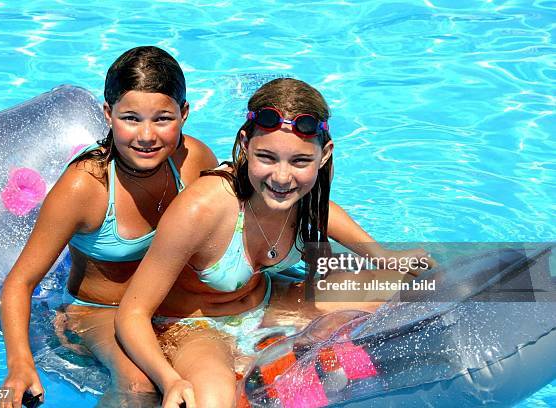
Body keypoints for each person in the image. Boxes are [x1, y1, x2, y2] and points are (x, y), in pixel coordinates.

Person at [115, 77, 432, 407]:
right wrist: (170, 381)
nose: (282, 178)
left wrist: (382, 256)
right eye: (266, 157)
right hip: (195, 328)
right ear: (245, 144)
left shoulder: (306, 194)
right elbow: (132, 313)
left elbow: (324, 213)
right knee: (211, 400)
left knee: (407, 289)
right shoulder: (204, 207)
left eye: (300, 161)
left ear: (323, 156)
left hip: (266, 303)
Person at [0, 46, 218, 408]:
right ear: (108, 114)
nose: (146, 136)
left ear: (184, 114)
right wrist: (19, 363)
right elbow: (19, 282)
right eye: (131, 118)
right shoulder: (86, 187)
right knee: (140, 385)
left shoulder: (193, 161)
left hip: (170, 301)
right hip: (101, 311)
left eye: (162, 119)